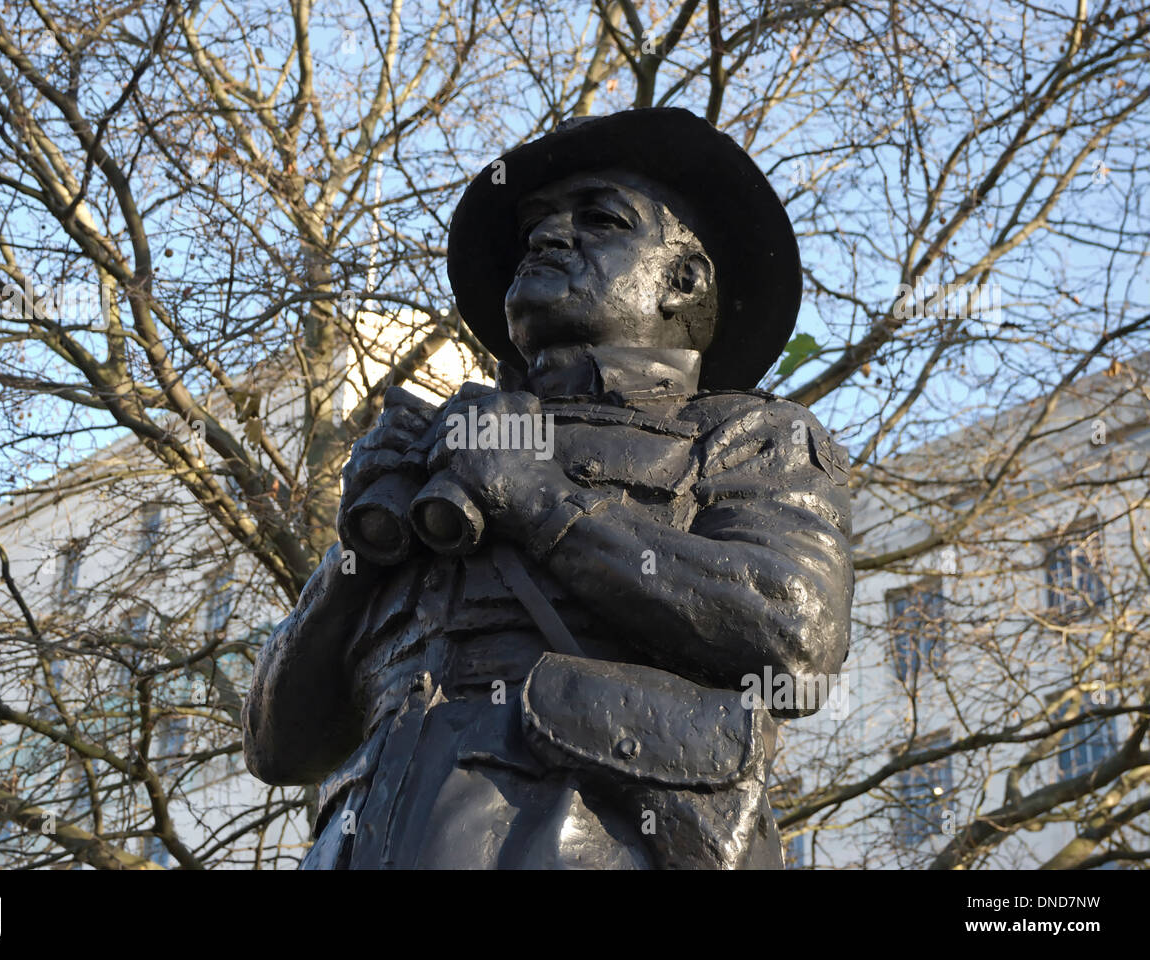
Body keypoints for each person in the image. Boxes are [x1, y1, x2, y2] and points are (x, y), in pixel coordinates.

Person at [242, 107, 854, 869]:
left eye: (599, 218)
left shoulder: (749, 436)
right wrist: (354, 557)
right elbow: (277, 747)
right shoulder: (437, 453)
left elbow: (795, 643)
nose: (546, 235)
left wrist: (537, 503)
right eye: (536, 222)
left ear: (684, 280)